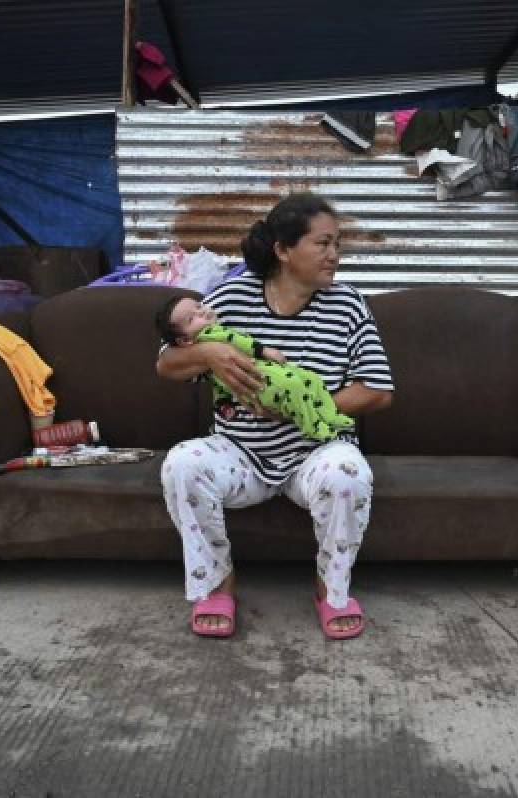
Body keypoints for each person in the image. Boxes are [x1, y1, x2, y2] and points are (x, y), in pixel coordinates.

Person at [156, 193, 394, 639]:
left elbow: (378, 390)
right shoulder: (230, 297)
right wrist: (211, 352)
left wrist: (300, 407)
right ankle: (216, 586)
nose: (334, 255)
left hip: (316, 452)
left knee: (348, 472)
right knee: (182, 463)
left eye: (337, 244)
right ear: (283, 250)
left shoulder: (348, 305)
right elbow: (166, 364)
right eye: (322, 244)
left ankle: (332, 591)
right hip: (241, 454)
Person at [154, 295, 356, 441]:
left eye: (199, 306)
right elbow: (240, 342)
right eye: (192, 318)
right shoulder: (213, 336)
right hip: (262, 381)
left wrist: (225, 407)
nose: (203, 311)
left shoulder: (206, 345)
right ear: (184, 340)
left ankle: (328, 415)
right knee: (297, 386)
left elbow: (220, 387)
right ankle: (314, 426)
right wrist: (265, 351)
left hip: (267, 377)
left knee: (310, 379)